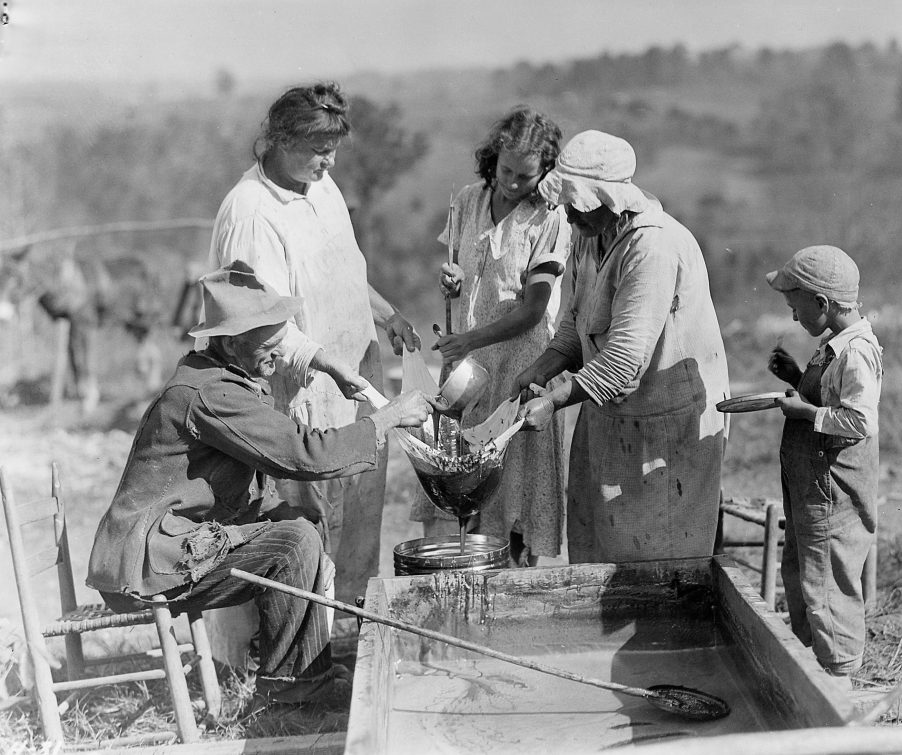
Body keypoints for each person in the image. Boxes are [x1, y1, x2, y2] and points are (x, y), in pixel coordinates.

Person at [87, 262, 438, 709]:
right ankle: (291, 691)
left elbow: (246, 484)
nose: (277, 357)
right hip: (143, 563)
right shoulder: (212, 395)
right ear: (231, 342)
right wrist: (386, 418)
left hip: (165, 545)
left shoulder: (222, 376)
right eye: (269, 347)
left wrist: (289, 513)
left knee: (300, 523)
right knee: (292, 543)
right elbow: (305, 452)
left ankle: (308, 672)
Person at [206, 81, 420, 628]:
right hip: (296, 389)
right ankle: (304, 647)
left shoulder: (320, 188)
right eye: (315, 147)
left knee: (359, 507)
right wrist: (323, 363)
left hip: (352, 376)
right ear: (278, 139)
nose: (327, 160)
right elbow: (256, 320)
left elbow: (344, 272)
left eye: (333, 149)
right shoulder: (252, 212)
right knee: (308, 517)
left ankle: (351, 626)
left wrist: (386, 312)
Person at [514, 130, 729, 563]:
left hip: (664, 426)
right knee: (602, 556)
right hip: (611, 416)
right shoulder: (589, 235)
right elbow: (576, 323)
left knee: (661, 563)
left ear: (606, 200)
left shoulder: (652, 245)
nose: (569, 217)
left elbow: (625, 361)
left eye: (577, 205)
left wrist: (555, 400)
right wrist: (539, 369)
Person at [413, 106, 571, 567]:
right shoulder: (467, 201)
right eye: (506, 171)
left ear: (545, 172)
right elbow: (467, 272)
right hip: (470, 368)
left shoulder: (549, 219)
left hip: (520, 365)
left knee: (513, 483)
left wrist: (471, 340)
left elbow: (533, 309)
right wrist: (453, 278)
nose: (513, 184)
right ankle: (468, 578)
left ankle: (514, 584)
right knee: (463, 475)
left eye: (525, 176)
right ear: (493, 158)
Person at [767, 245, 882, 682]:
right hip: (811, 487)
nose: (794, 317)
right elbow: (833, 398)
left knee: (829, 587)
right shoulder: (832, 346)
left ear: (821, 303)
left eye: (795, 307)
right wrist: (798, 379)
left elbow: (858, 420)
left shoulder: (856, 352)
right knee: (803, 576)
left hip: (833, 492)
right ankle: (814, 678)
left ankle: (840, 689)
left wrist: (805, 413)